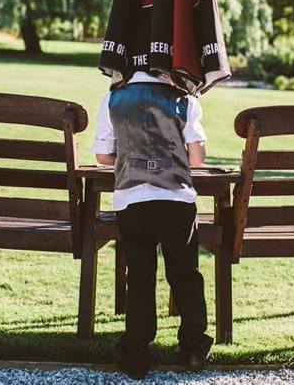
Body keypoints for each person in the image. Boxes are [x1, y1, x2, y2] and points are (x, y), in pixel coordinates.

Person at [91, 70, 213, 379]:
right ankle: (193, 347)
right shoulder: (183, 100)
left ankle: (136, 350)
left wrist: (131, 154)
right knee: (185, 274)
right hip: (176, 199)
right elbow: (196, 158)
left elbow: (102, 156)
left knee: (141, 276)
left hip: (132, 199)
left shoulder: (113, 99)